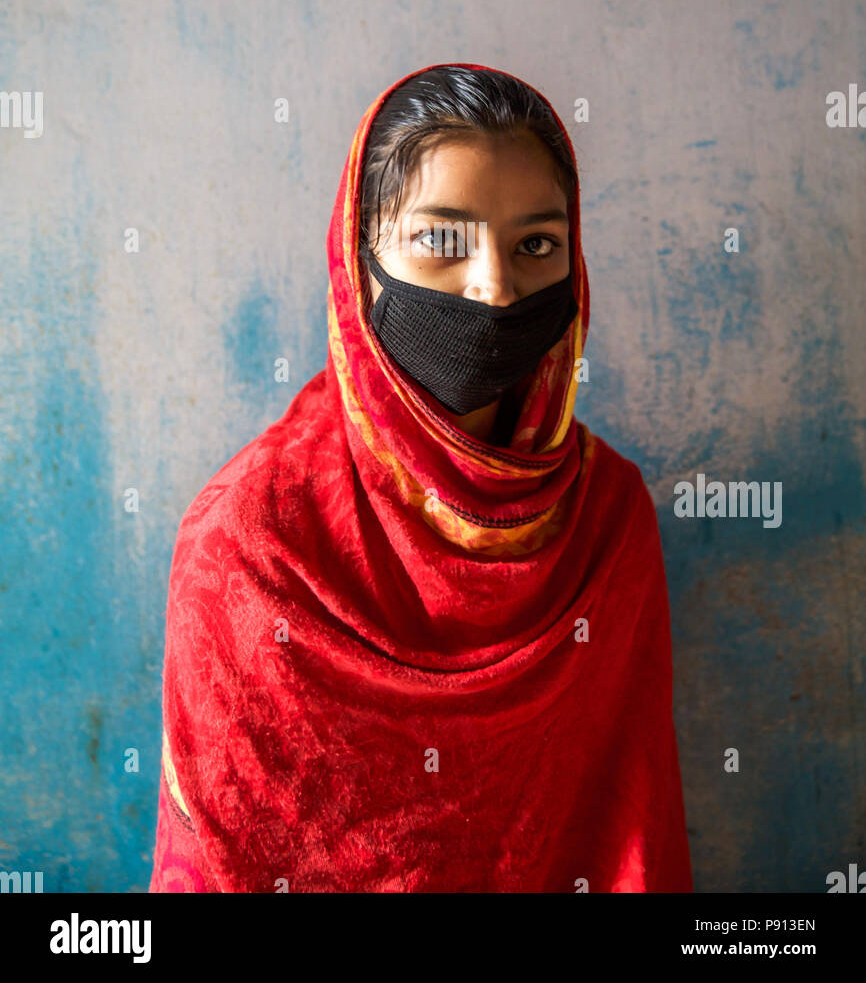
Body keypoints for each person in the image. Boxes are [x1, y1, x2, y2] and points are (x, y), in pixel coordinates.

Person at [149, 62, 692, 892]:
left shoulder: (607, 513)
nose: (496, 287)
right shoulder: (251, 539)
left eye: (536, 245)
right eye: (441, 239)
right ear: (360, 260)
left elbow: (628, 832)